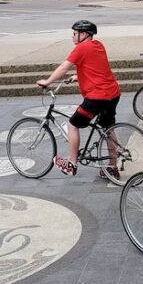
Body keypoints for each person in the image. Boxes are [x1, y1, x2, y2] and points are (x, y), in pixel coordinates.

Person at [36, 20, 121, 178]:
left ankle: (72, 164)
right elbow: (96, 67)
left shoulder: (81, 48)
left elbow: (63, 67)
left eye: (75, 33)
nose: (73, 36)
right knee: (108, 128)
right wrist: (79, 76)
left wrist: (47, 82)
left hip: (98, 96)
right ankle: (112, 167)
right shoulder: (98, 45)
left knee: (73, 124)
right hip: (113, 93)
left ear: (84, 34)